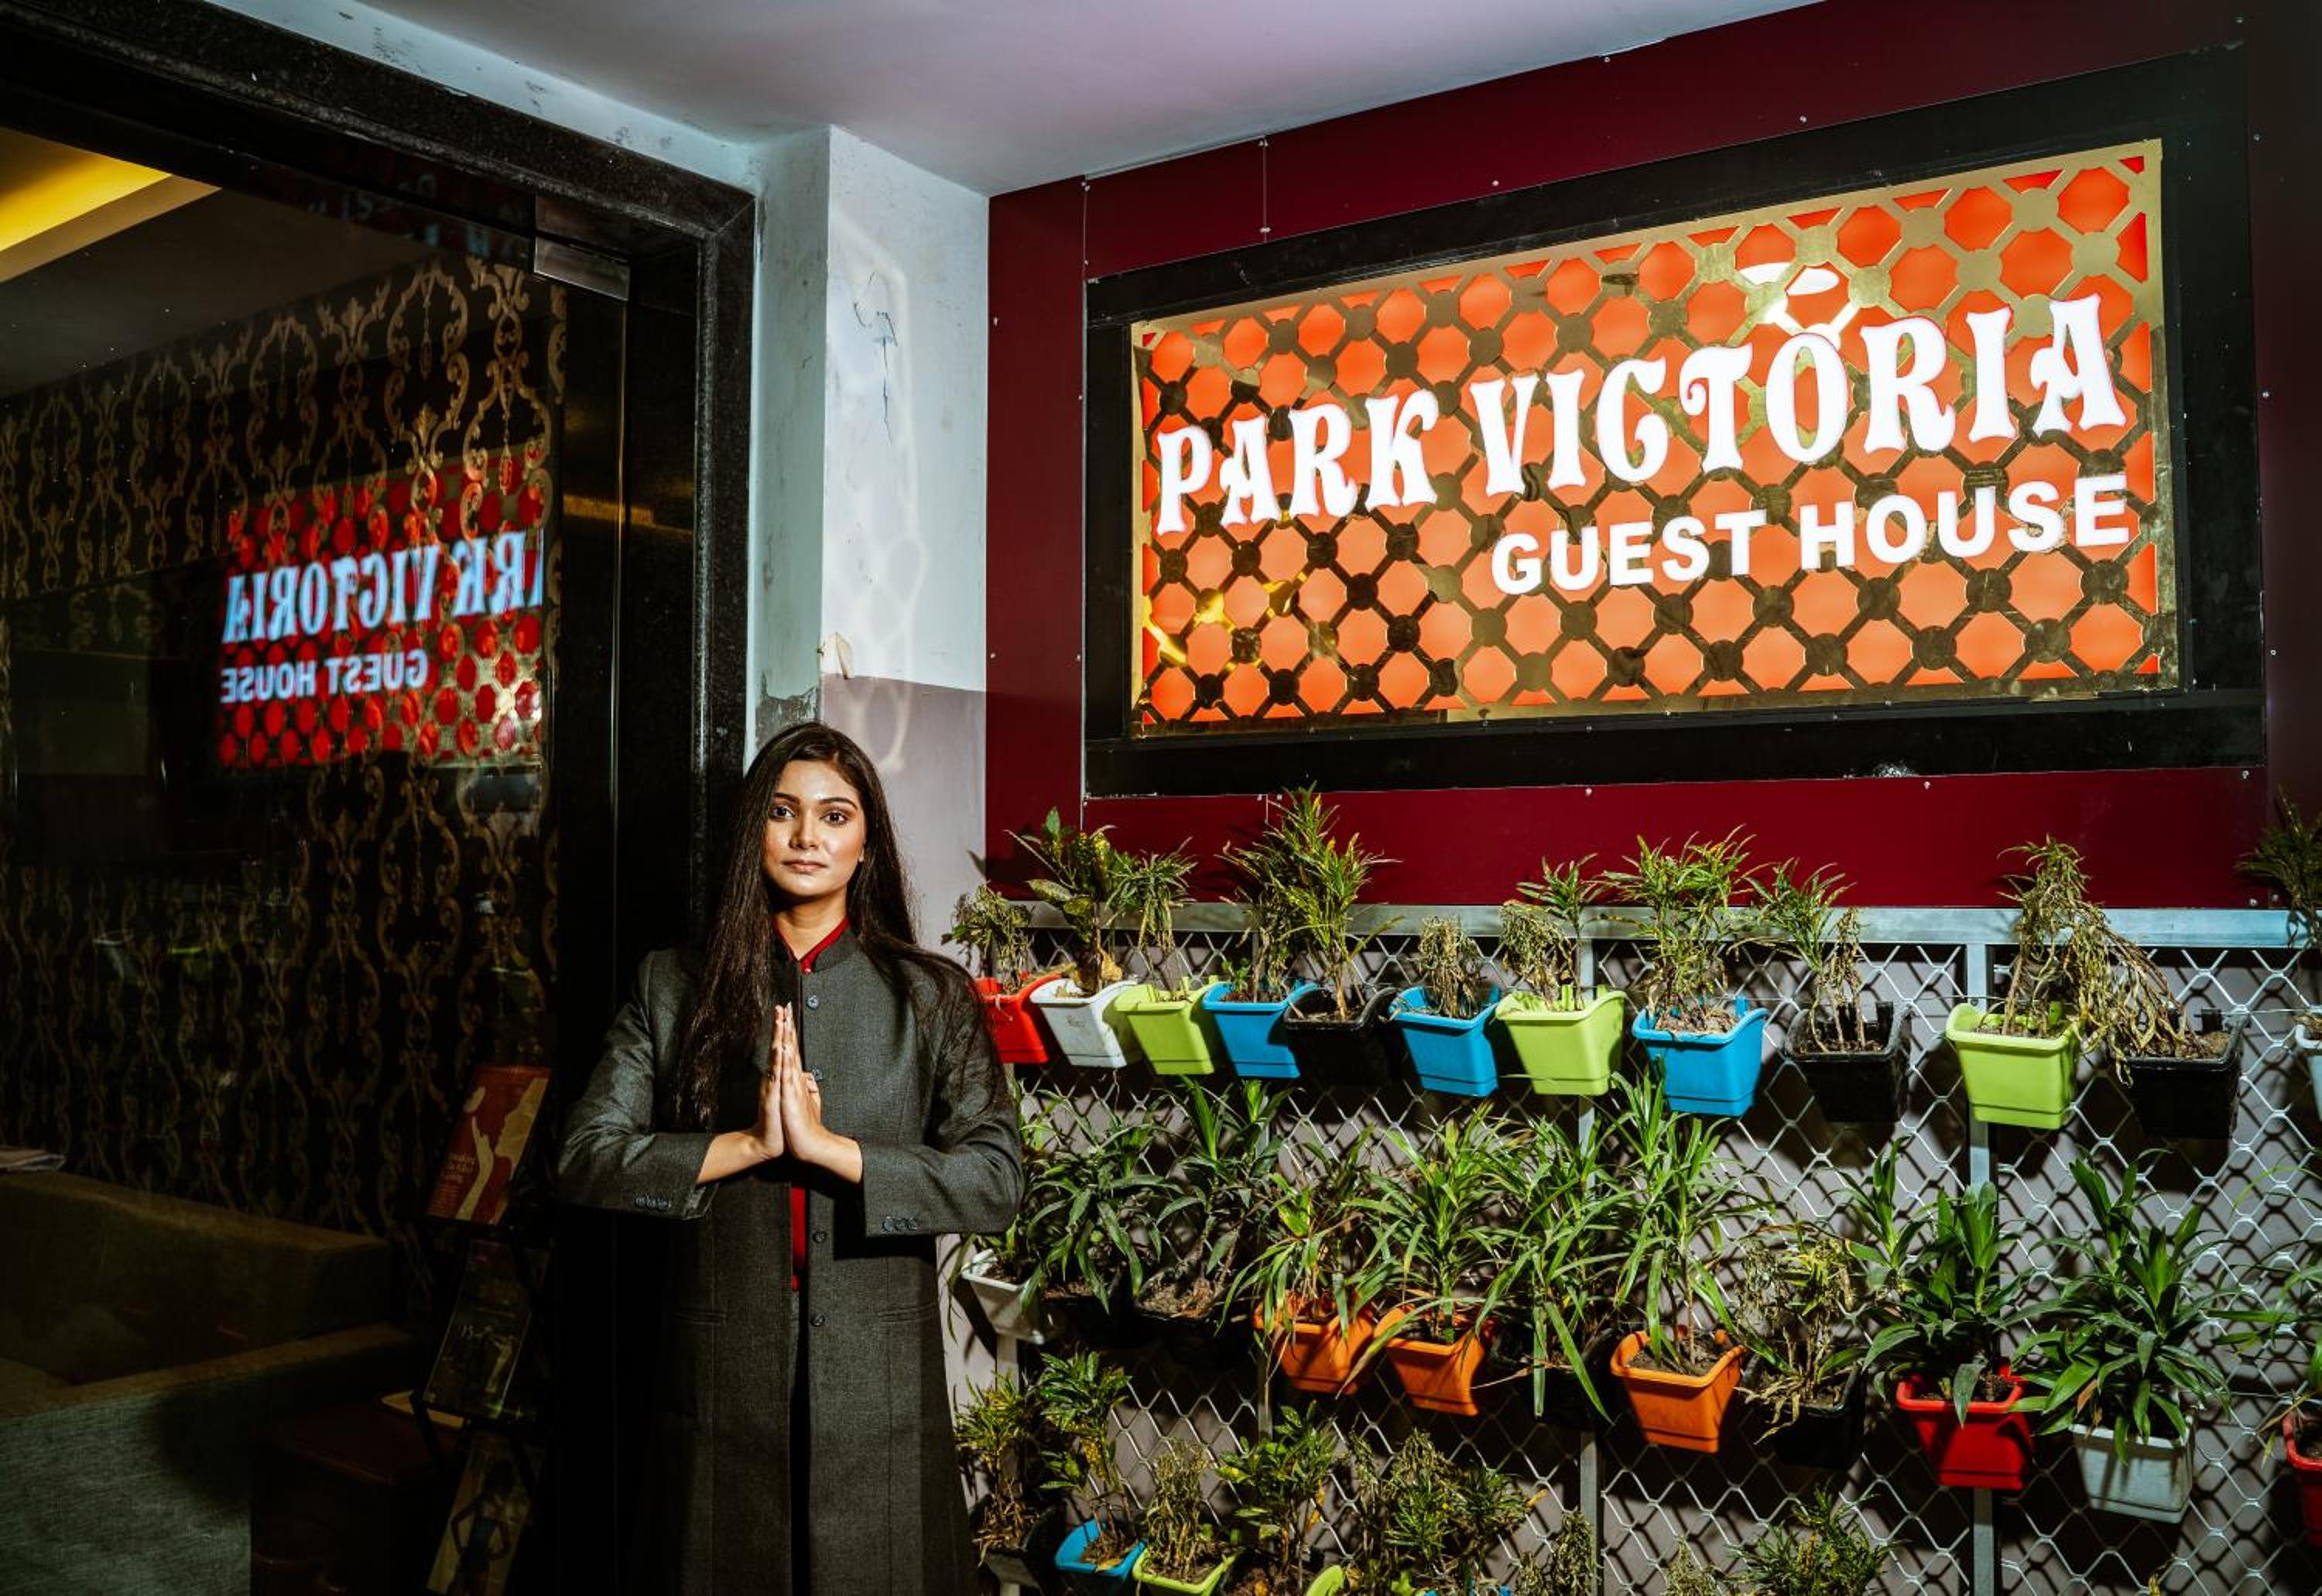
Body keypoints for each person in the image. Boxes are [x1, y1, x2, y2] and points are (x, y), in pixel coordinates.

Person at [553, 720, 1025, 1596]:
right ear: (753, 831)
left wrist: (836, 1153)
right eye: (783, 812)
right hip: (721, 1374)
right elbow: (585, 1156)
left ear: (866, 844)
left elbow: (996, 1179)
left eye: (835, 816)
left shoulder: (930, 996)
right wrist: (748, 1145)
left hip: (880, 1386)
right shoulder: (673, 984)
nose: (808, 836)